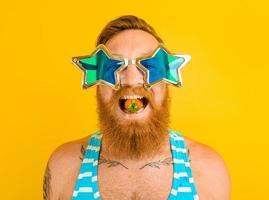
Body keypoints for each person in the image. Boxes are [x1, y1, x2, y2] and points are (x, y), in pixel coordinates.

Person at [43, 15, 231, 200]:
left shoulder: (208, 169)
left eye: (150, 65)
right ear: (98, 86)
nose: (132, 79)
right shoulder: (65, 166)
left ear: (166, 82)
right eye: (112, 68)